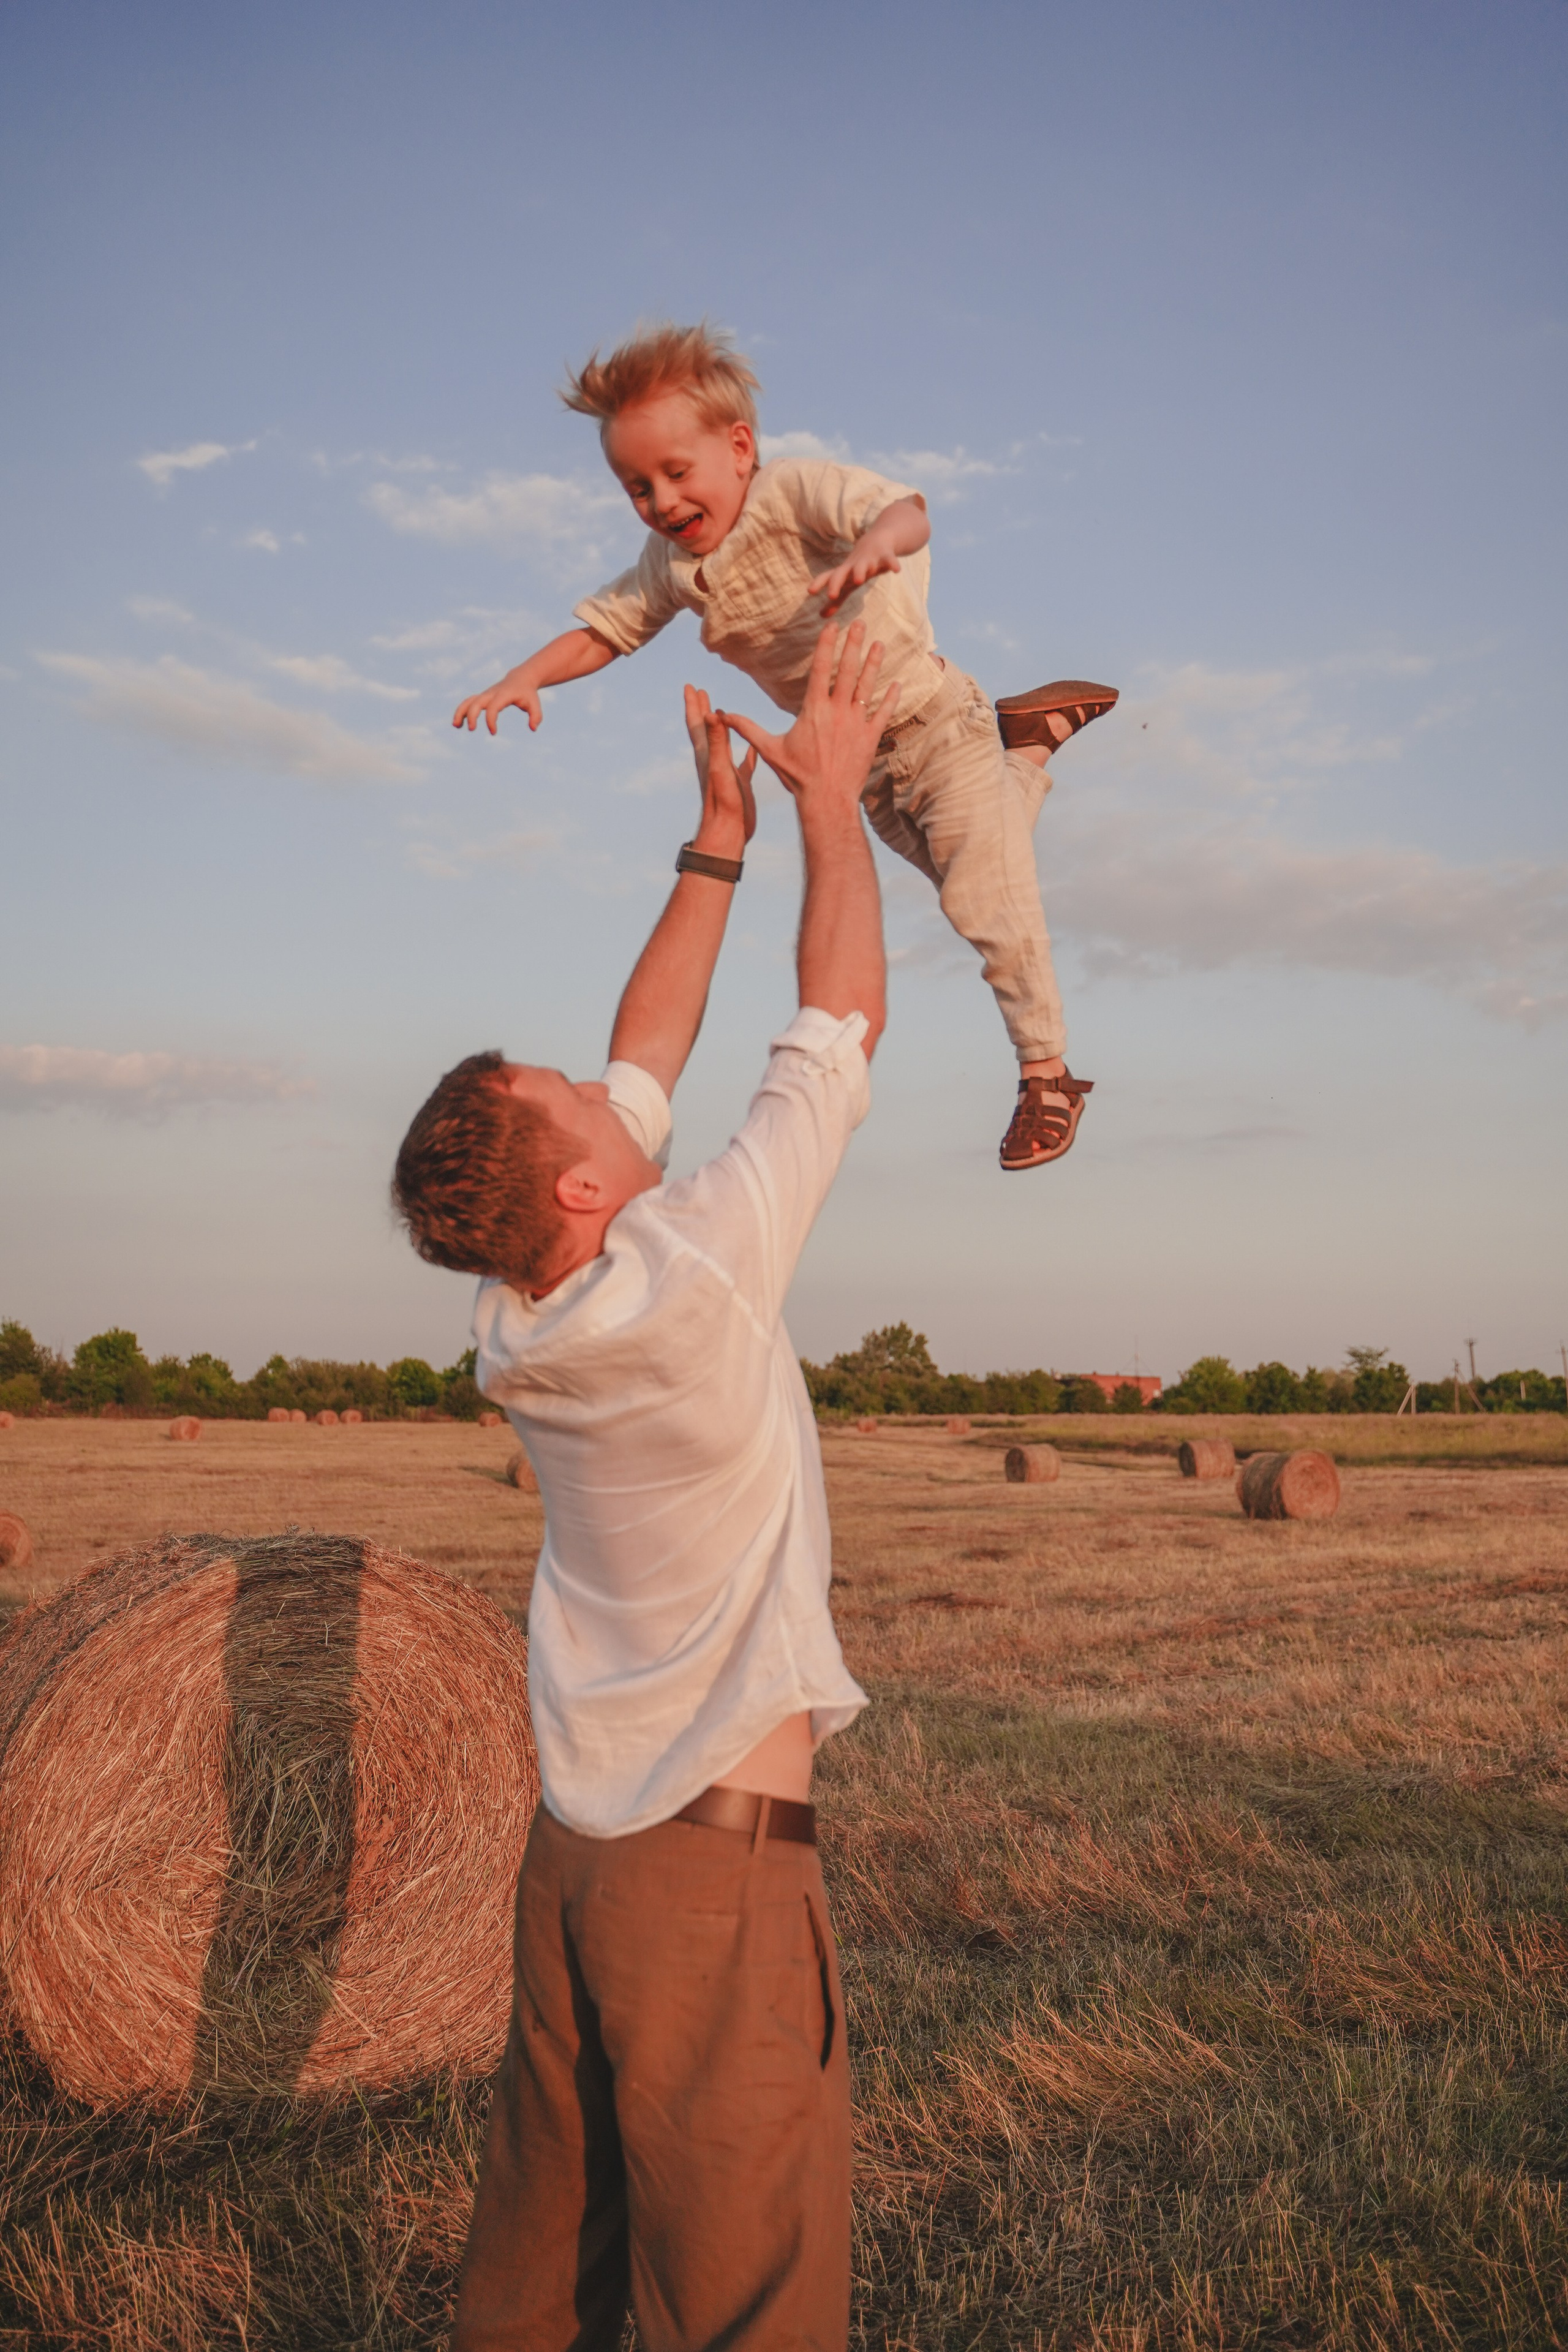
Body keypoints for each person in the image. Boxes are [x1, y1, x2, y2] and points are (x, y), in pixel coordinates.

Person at [392, 620, 899, 2352]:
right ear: (591, 1192)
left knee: (549, 2271)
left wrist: (717, 842)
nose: (594, 1083)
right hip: (714, 1883)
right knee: (744, 2290)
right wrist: (831, 803)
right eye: (563, 1096)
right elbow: (834, 1025)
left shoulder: (515, 1313)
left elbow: (644, 1057)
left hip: (578, 1862)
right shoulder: (690, 1282)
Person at [452, 321, 1118, 1172]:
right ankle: (1024, 749)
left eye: (675, 473)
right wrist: (525, 678)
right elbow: (606, 630)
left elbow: (907, 511)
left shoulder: (795, 492)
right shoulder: (668, 566)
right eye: (636, 487)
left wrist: (876, 544)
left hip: (935, 725)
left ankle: (1048, 1074)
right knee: (969, 881)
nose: (660, 501)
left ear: (739, 448)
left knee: (985, 900)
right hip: (858, 765)